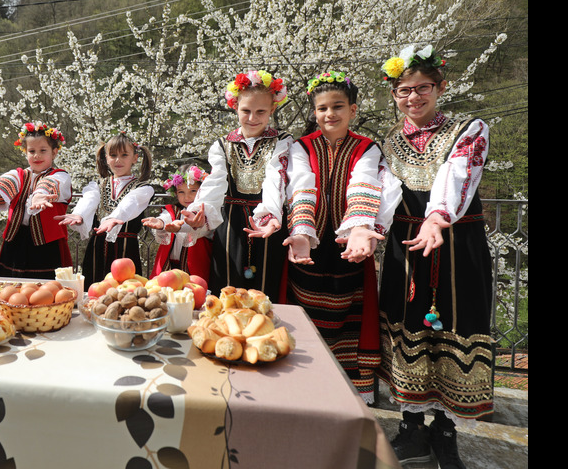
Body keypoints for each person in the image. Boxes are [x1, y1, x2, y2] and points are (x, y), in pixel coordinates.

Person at [376, 45, 493, 469]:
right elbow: (385, 193)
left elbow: (457, 174)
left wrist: (437, 218)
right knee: (405, 324)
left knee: (453, 326)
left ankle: (445, 431)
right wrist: (368, 230)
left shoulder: (468, 128)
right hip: (406, 245)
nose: (413, 98)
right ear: (394, 94)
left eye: (422, 88)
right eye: (403, 91)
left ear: (440, 88)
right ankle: (410, 426)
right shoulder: (388, 141)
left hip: (456, 245)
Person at [252, 71, 389, 403]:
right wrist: (301, 232)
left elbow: (364, 182)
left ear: (353, 110)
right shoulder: (301, 146)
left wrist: (358, 229)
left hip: (348, 244)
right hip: (311, 241)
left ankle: (346, 393)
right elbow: (301, 184)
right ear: (314, 112)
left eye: (338, 107)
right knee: (305, 311)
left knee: (348, 310)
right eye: (323, 108)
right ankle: (305, 384)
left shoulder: (367, 148)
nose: (330, 114)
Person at [181, 70, 293, 299]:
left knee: (266, 285)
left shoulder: (282, 141)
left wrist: (271, 215)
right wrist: (199, 210)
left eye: (261, 111)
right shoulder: (222, 145)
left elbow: (275, 178)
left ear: (272, 109)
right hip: (230, 224)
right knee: (227, 283)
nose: (253, 117)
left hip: (267, 223)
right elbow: (215, 183)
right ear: (235, 107)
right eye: (246, 111)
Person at [0, 122, 72, 279]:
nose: (37, 155)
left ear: (54, 152)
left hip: (47, 244)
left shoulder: (61, 176)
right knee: (12, 284)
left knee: (46, 287)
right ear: (25, 153)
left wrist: (40, 194)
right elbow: (6, 182)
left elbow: (50, 184)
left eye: (43, 150)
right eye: (31, 151)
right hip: (16, 239)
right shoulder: (19, 174)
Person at [58, 132, 154, 284]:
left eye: (124, 155)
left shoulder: (143, 189)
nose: (118, 160)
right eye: (113, 155)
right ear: (106, 158)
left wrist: (113, 218)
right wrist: (79, 214)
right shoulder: (98, 185)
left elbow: (130, 202)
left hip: (126, 250)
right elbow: (89, 200)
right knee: (94, 286)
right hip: (96, 248)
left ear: (135, 158)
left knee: (124, 291)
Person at [142, 163, 212, 281]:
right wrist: (161, 223)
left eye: (193, 191)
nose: (187, 197)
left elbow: (203, 229)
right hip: (171, 263)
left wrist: (186, 225)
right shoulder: (173, 210)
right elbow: (166, 218)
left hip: (194, 264)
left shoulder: (205, 212)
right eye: (181, 192)